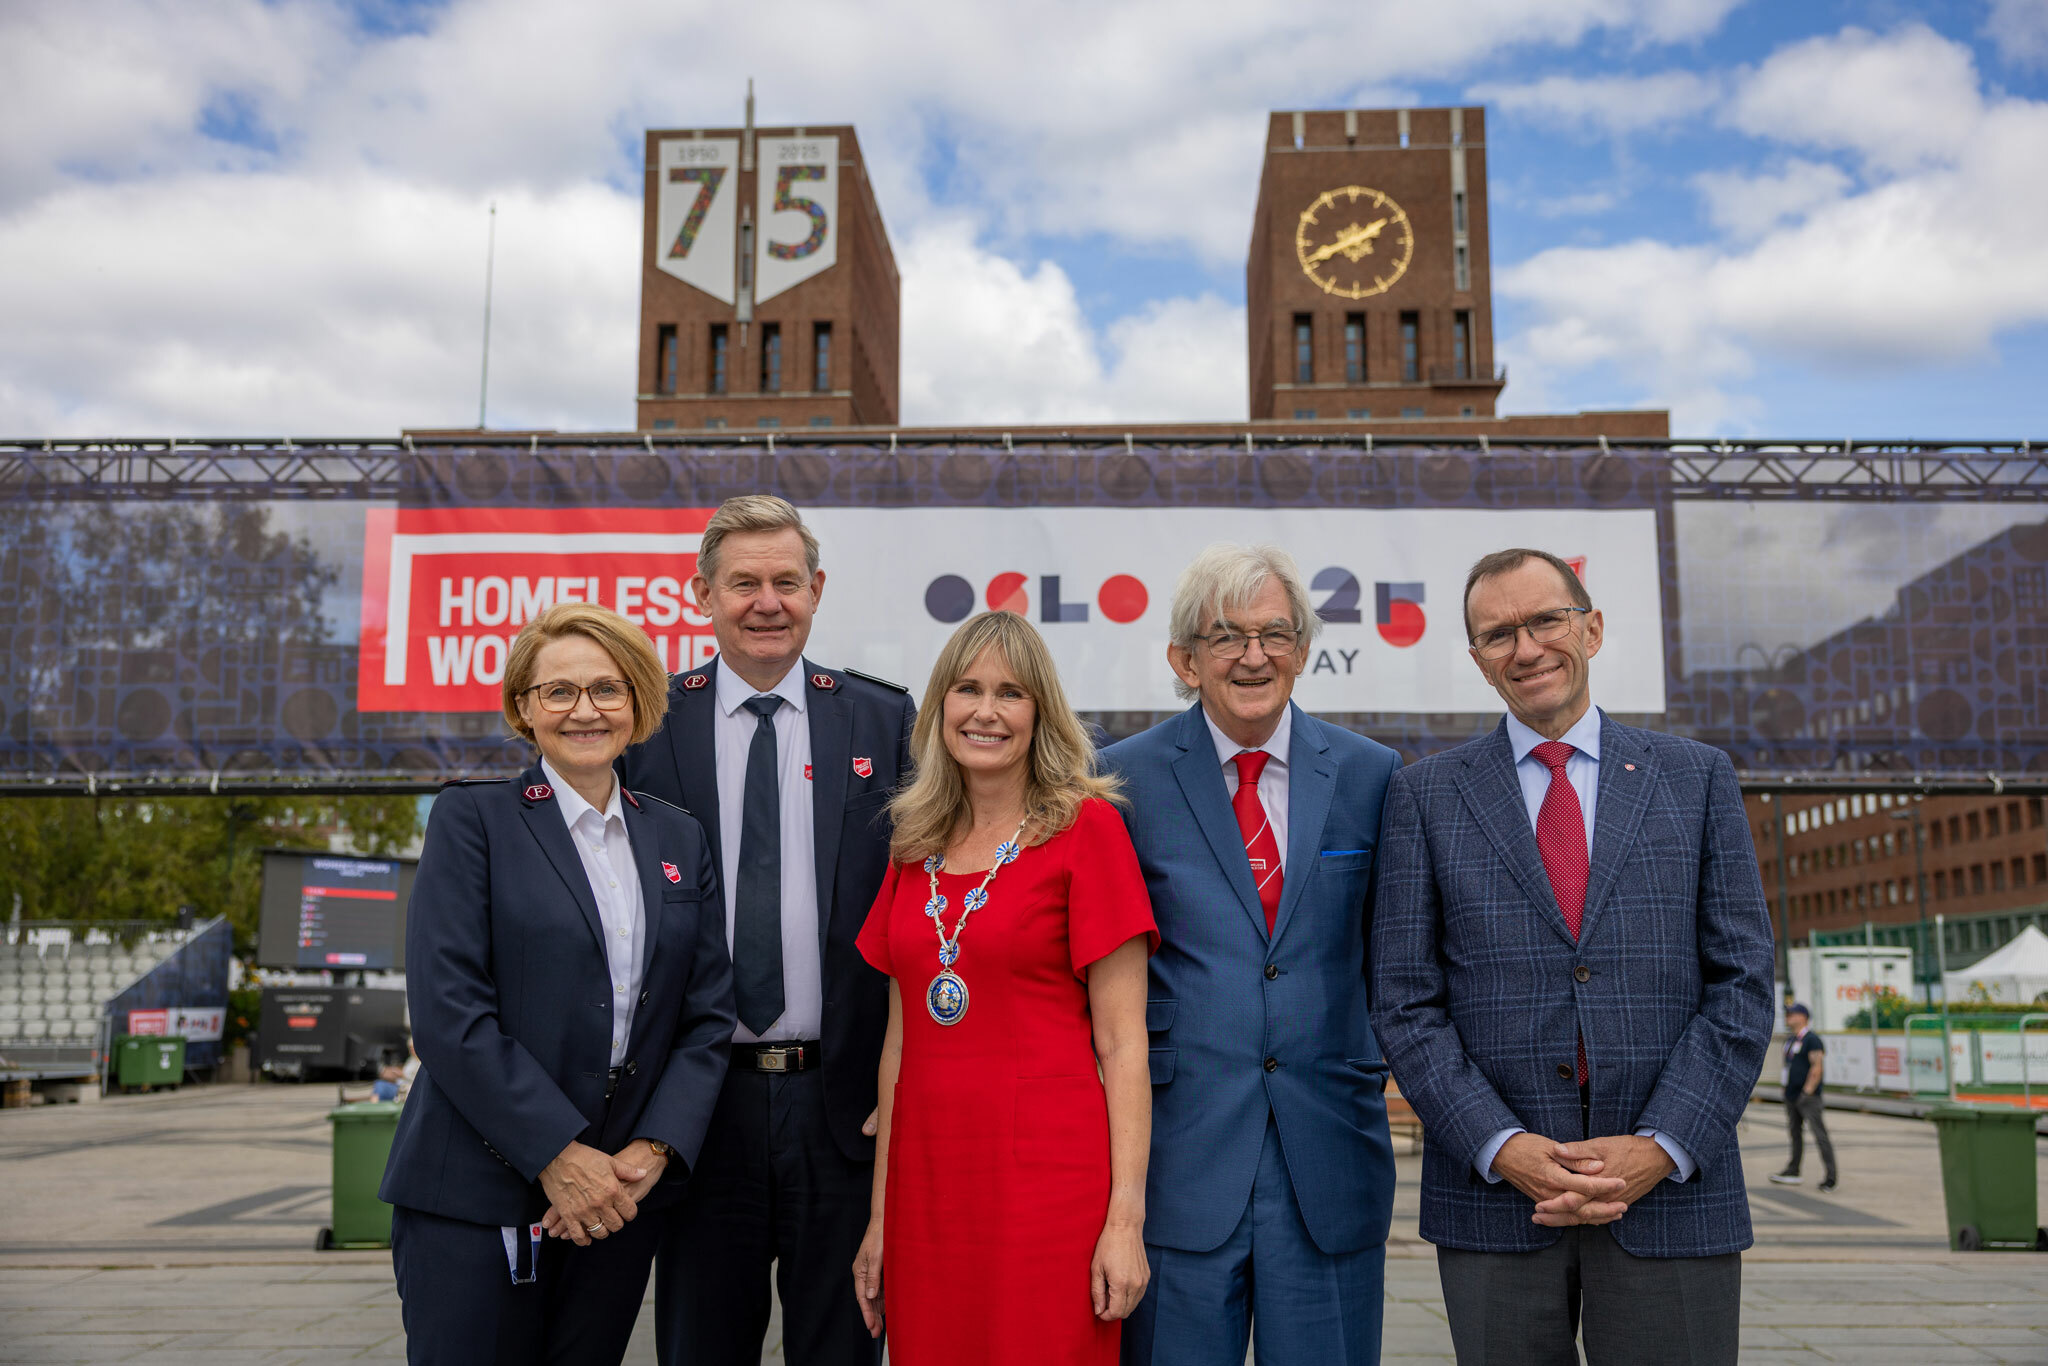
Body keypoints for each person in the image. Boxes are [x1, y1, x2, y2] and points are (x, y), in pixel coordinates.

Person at [1370, 548, 1776, 1366]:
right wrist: (1499, 1145)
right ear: (1480, 662)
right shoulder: (1423, 796)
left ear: (1590, 628)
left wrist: (1662, 1146)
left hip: (1673, 1198)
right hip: (1495, 1201)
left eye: (1545, 620)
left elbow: (1742, 983)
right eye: (1497, 634)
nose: (1526, 648)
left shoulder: (1696, 780)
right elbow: (1405, 1002)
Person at [381, 602, 736, 1366]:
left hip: (614, 1201)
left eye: (607, 689)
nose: (586, 710)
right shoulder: (473, 819)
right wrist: (556, 1154)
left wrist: (650, 1153)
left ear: (638, 704)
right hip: (476, 1198)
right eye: (559, 692)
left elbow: (707, 1017)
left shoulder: (678, 836)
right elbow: (449, 1013)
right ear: (523, 708)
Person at [619, 495, 914, 1366]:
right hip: (700, 1109)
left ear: (816, 590)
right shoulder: (645, 724)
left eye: (786, 581)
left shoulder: (881, 721)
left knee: (843, 1347)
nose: (766, 601)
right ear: (702, 593)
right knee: (702, 1345)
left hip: (844, 1107)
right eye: (743, 583)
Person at [1102, 543, 1401, 1366]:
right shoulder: (1118, 783)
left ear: (1304, 650)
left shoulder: (1374, 777)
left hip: (1330, 1161)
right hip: (1177, 1165)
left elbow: (1399, 961)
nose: (1254, 655)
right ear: (1184, 659)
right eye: (1226, 635)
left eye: (1275, 633)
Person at [851, 609, 1157, 1362]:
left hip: (1048, 1187)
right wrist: (881, 1219)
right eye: (967, 689)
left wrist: (1124, 1222)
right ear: (939, 709)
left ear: (1040, 714)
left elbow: (1124, 1046)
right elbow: (899, 1048)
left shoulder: (1087, 829)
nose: (985, 711)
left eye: (1010, 693)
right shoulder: (911, 844)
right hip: (928, 1191)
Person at [1772, 1003, 1836, 1192]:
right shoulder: (1791, 1040)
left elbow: (1817, 1068)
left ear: (1803, 1017)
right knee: (1795, 1134)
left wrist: (1807, 1092)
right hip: (1791, 1094)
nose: (1788, 1017)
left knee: (1820, 1135)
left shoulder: (1812, 1040)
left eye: (1792, 1014)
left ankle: (1831, 1177)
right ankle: (1793, 1169)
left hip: (1807, 1097)